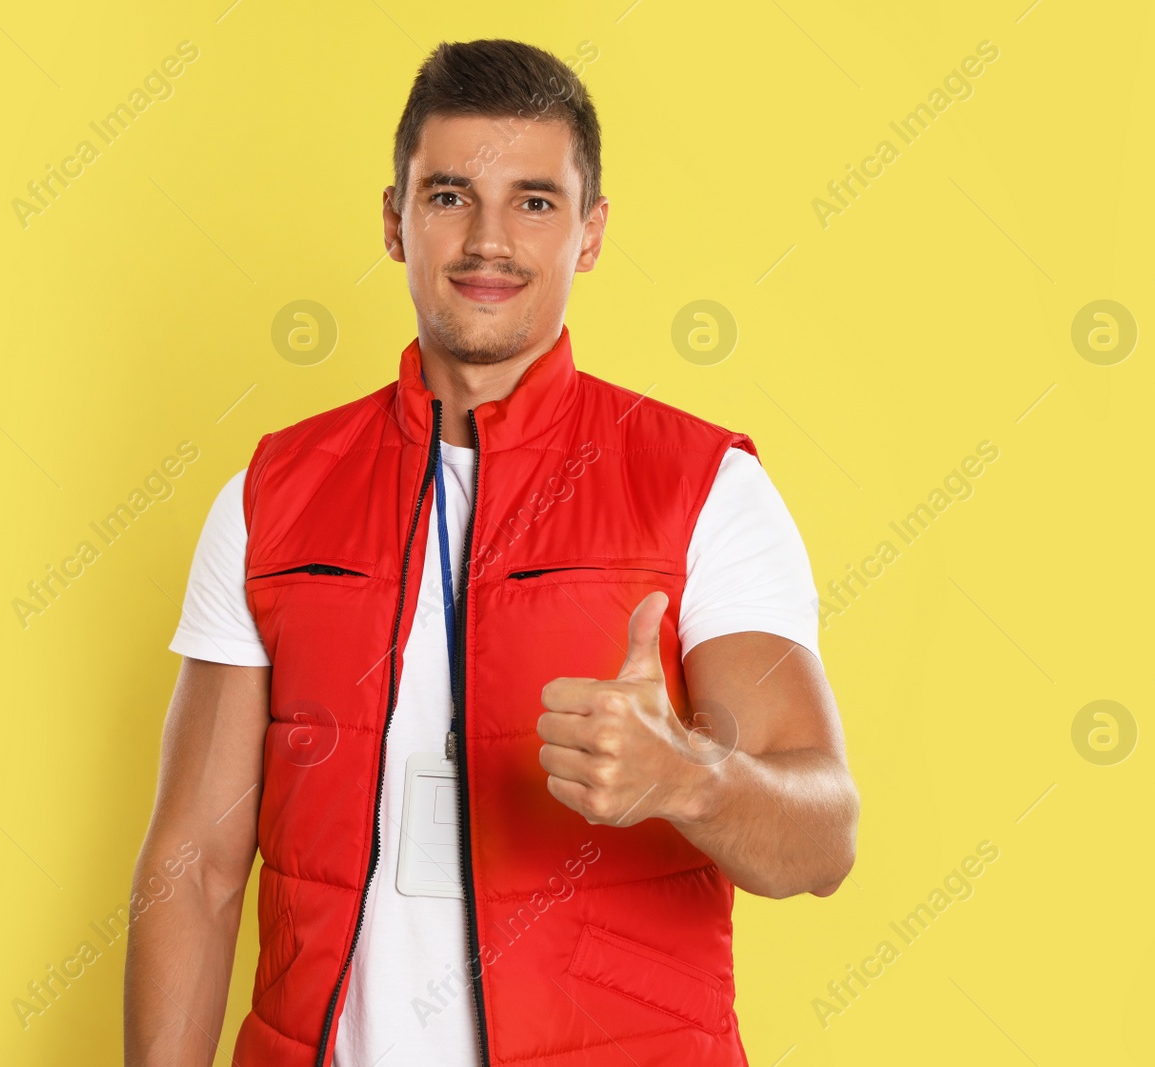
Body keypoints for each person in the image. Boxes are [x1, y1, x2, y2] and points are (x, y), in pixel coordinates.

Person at [124, 37, 858, 1067]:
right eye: (449, 196)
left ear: (591, 232)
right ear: (395, 219)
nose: (488, 240)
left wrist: (689, 776)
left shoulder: (706, 490)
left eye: (535, 202)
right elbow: (195, 860)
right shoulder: (270, 496)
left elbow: (823, 843)